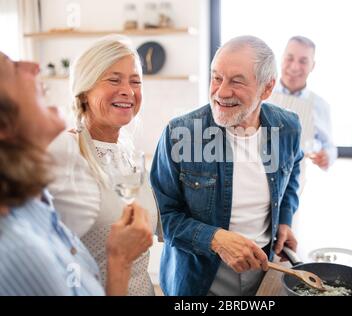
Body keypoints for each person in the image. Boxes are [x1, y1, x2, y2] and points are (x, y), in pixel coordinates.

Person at [150, 36, 303, 296]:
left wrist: (285, 219)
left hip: (264, 270)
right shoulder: (180, 133)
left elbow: (293, 169)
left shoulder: (288, 127)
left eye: (237, 81)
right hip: (199, 279)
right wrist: (215, 239)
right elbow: (160, 218)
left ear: (266, 89)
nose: (221, 92)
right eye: (216, 77)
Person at [0, 51, 152, 296]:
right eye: (12, 67)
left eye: (135, 80)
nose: (34, 64)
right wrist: (120, 261)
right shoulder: (20, 253)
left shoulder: (37, 207)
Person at [46, 36, 160, 296]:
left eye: (135, 81)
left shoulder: (129, 152)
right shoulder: (64, 150)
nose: (128, 91)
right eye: (113, 79)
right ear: (84, 91)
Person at [276, 36, 337, 170]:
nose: (295, 67)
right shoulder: (262, 95)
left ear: (312, 66)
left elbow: (329, 147)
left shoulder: (320, 105)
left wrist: (327, 156)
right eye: (289, 58)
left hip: (299, 179)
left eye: (303, 61)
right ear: (281, 59)